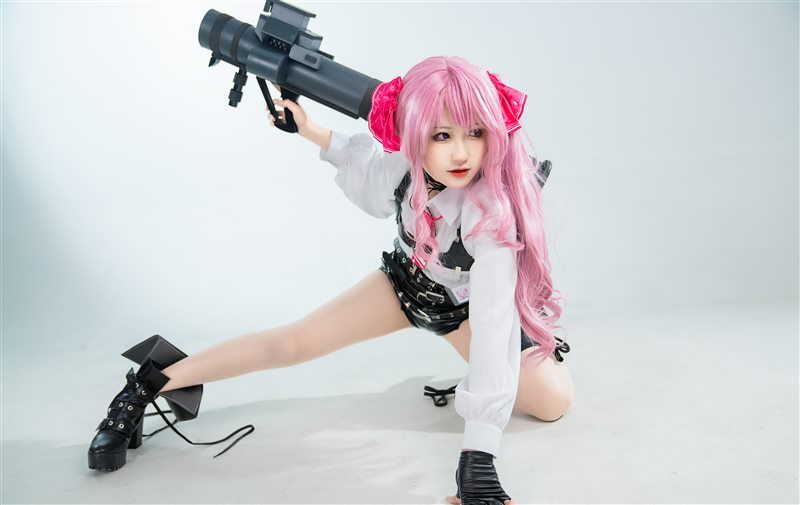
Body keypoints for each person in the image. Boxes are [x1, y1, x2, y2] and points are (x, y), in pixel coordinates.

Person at [87, 55, 574, 505]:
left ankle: (524, 353)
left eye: (475, 132)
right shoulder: (402, 168)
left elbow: (491, 322)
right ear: (413, 134)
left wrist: (478, 458)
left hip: (465, 311)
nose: (461, 152)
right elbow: (364, 172)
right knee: (291, 343)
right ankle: (147, 384)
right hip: (404, 285)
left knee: (553, 402)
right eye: (441, 135)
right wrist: (310, 129)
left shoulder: (491, 212)